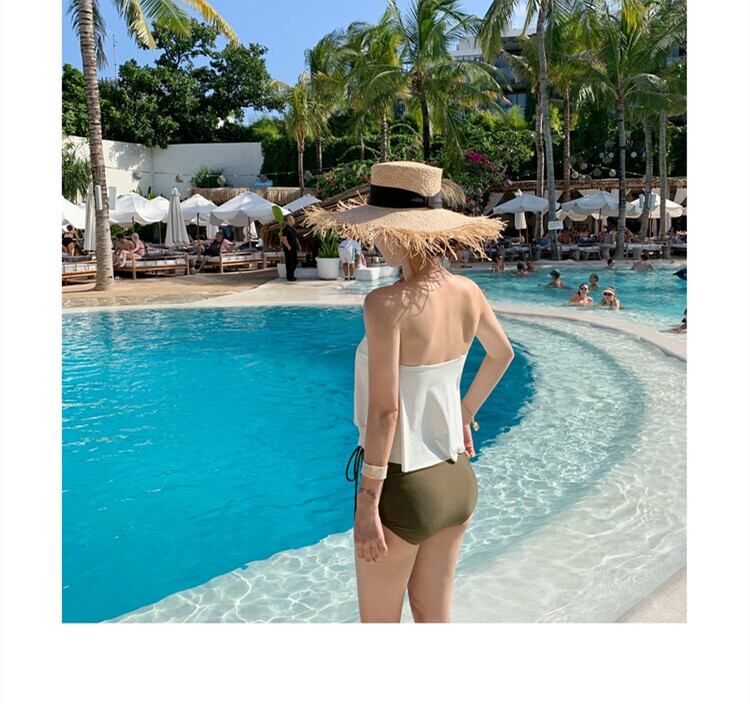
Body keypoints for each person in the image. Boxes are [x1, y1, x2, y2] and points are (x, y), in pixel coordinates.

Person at [306, 161, 514, 623]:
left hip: (404, 486)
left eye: (379, 229)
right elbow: (502, 355)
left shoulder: (385, 305)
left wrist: (367, 503)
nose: (374, 239)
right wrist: (463, 413)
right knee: (434, 620)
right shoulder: (468, 292)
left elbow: (386, 413)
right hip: (456, 479)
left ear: (401, 233)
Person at [281, 215, 300, 281]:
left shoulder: (292, 229)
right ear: (288, 220)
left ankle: (292, 275)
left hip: (294, 248)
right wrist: (288, 246)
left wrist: (299, 245)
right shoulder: (286, 229)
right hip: (289, 249)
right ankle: (290, 277)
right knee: (290, 263)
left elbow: (296, 239)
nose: (294, 220)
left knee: (294, 262)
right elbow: (283, 239)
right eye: (292, 219)